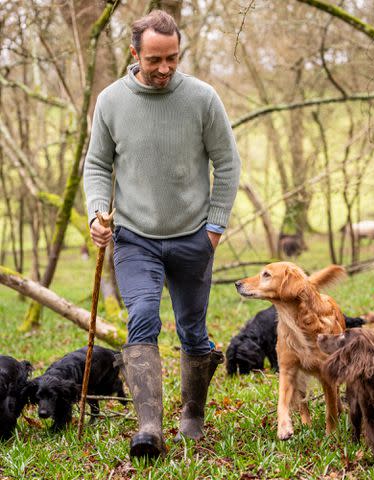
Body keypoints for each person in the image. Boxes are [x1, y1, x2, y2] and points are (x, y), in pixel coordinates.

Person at [83, 10, 240, 459]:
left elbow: (227, 163)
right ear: (135, 53)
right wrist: (97, 212)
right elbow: (97, 165)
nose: (165, 68)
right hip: (135, 236)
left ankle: (192, 412)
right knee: (144, 315)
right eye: (155, 59)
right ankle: (149, 426)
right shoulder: (111, 101)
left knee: (193, 331)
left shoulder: (202, 98)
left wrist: (214, 227)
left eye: (173, 58)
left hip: (194, 235)